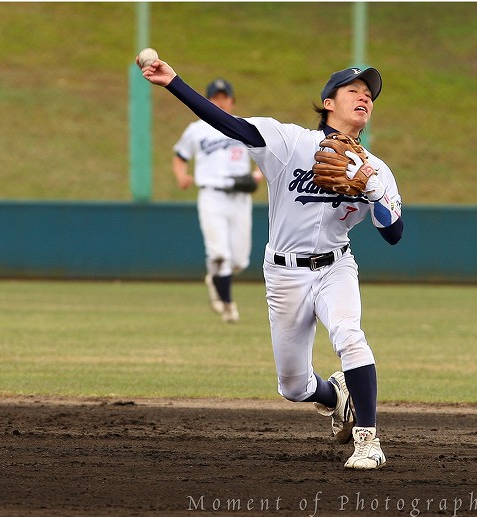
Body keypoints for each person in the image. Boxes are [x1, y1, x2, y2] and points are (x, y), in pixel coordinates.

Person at [140, 54, 403, 470]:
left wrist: (375, 193)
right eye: (353, 90)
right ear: (328, 102)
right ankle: (337, 397)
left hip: (336, 266)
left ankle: (367, 441)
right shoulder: (289, 142)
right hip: (284, 273)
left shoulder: (376, 169)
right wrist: (174, 82)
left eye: (370, 95)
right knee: (294, 386)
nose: (364, 98)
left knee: (350, 335)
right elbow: (231, 124)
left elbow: (393, 234)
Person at [171, 78, 263, 323]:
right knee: (219, 253)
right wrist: (182, 176)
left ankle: (215, 279)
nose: (221, 102)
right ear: (207, 101)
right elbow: (180, 156)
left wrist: (256, 176)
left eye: (225, 97)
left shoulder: (244, 126)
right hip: (212, 195)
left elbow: (268, 158)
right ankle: (228, 305)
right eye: (216, 98)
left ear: (232, 101)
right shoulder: (196, 129)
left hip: (240, 197)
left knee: (240, 261)